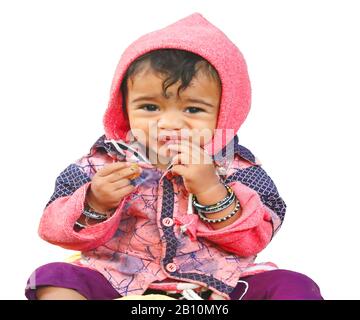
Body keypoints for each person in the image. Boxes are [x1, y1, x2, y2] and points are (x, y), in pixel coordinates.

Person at [25, 13, 323, 300]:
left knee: (295, 285)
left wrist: (211, 190)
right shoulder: (102, 162)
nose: (169, 123)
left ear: (225, 111)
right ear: (124, 107)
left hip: (221, 280)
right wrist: (95, 202)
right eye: (150, 107)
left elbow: (256, 237)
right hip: (120, 276)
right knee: (50, 278)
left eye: (192, 109)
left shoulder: (237, 167)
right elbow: (53, 229)